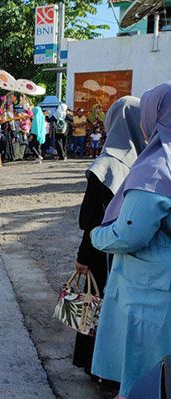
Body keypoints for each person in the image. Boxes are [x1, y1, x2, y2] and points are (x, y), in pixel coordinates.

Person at [90, 82, 171, 398]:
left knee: (145, 378)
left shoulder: (155, 168)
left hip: (150, 293)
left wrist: (98, 235)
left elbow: (130, 233)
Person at [72, 96, 146, 382]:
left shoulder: (105, 165)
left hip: (103, 252)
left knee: (98, 306)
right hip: (134, 257)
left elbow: (90, 220)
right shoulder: (149, 160)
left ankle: (98, 366)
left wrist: (83, 258)